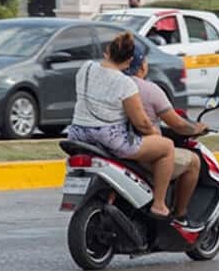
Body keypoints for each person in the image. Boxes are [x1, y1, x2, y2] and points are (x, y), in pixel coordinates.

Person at [67, 32, 174, 221]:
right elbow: (141, 122)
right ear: (130, 60)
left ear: (107, 51)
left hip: (78, 134)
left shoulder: (86, 68)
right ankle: (159, 204)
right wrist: (155, 134)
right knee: (167, 148)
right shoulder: (125, 83)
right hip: (110, 139)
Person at [125, 44, 207, 228]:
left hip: (113, 146)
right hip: (142, 151)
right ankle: (180, 214)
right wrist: (196, 128)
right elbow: (177, 124)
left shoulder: (111, 86)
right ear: (142, 66)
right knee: (193, 161)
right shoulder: (149, 89)